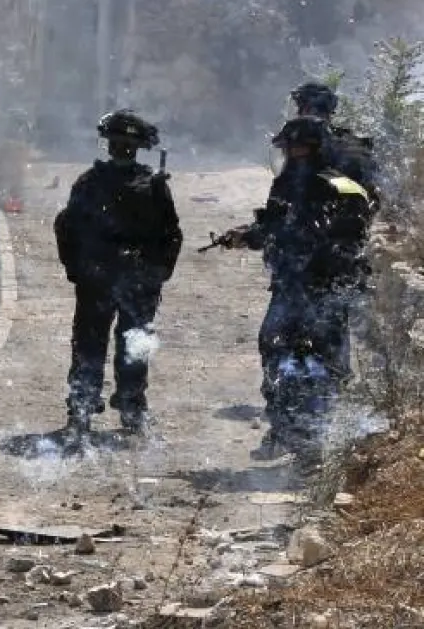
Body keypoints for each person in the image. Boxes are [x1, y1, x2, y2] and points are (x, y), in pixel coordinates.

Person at [215, 116, 377, 462]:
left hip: (305, 288)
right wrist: (248, 234)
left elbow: (287, 230)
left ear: (310, 148)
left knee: (278, 349)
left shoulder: (299, 184)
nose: (289, 155)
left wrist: (250, 237)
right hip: (327, 288)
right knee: (321, 362)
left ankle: (299, 434)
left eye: (294, 148)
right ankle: (303, 435)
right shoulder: (341, 183)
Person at [53, 109, 183, 438]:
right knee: (106, 344)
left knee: (117, 344)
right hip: (106, 279)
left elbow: (170, 234)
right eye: (119, 142)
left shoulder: (148, 185)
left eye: (127, 143)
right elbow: (68, 229)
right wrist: (79, 270)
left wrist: (156, 272)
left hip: (124, 279)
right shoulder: (96, 182)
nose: (123, 148)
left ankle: (116, 406)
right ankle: (99, 407)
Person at [289, 82, 380, 203]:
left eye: (301, 106)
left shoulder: (342, 136)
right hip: (304, 189)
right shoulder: (295, 134)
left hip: (334, 198)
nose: (298, 111)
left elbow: (365, 174)